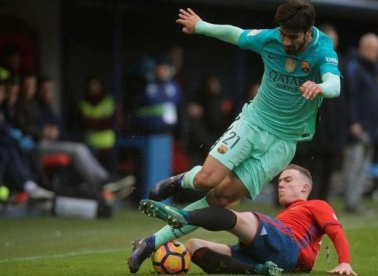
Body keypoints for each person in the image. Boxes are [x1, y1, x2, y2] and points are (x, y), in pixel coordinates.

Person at [128, 0, 341, 272]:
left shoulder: (322, 49)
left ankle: (150, 242)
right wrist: (201, 26)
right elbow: (235, 34)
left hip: (283, 142)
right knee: (207, 180)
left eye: (293, 37)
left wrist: (321, 87)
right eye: (284, 34)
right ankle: (181, 179)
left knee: (221, 198)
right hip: (253, 123)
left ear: (309, 31)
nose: (286, 42)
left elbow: (335, 82)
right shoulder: (270, 39)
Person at [138, 164, 357, 275]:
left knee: (244, 218)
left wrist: (344, 261)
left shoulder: (316, 205)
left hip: (289, 246)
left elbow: (336, 231)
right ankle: (259, 270)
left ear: (305, 187)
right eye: (279, 181)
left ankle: (185, 217)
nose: (281, 184)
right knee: (194, 247)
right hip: (274, 255)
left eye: (288, 180)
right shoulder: (283, 217)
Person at [292, 23, 347, 201]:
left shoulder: (341, 64)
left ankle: (322, 202)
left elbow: (345, 97)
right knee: (310, 166)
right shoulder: (308, 60)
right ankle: (304, 202)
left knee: (329, 167)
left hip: (333, 126)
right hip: (312, 123)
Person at [342, 33, 378, 213]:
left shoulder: (376, 69)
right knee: (354, 165)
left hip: (372, 128)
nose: (375, 53)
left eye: (377, 49)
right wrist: (354, 121)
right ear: (362, 48)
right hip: (357, 127)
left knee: (364, 167)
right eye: (371, 49)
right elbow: (350, 97)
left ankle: (355, 202)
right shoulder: (354, 67)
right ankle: (350, 202)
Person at [78, 76, 116, 172]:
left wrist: (94, 121)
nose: (94, 89)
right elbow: (84, 123)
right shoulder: (84, 103)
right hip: (91, 143)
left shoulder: (109, 101)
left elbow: (111, 121)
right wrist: (100, 121)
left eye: (96, 86)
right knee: (92, 171)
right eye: (91, 87)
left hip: (108, 143)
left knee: (108, 170)